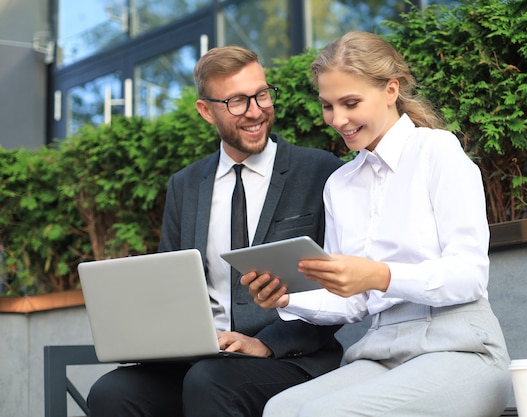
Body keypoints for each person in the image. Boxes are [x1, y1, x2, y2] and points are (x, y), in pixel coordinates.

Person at [242, 31, 512, 417]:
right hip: (381, 349)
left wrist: (379, 275)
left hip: (461, 346)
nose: (338, 120)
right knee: (280, 410)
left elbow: (469, 275)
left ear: (391, 90)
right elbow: (352, 300)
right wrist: (286, 297)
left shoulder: (436, 151)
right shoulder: (340, 184)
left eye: (351, 103)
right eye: (328, 106)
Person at [87, 45, 344, 417]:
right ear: (206, 111)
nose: (256, 111)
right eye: (238, 101)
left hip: (288, 357)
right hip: (202, 357)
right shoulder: (185, 185)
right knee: (112, 392)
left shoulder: (319, 171)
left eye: (261, 94)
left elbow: (339, 291)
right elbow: (169, 288)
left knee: (209, 381)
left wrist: (266, 345)